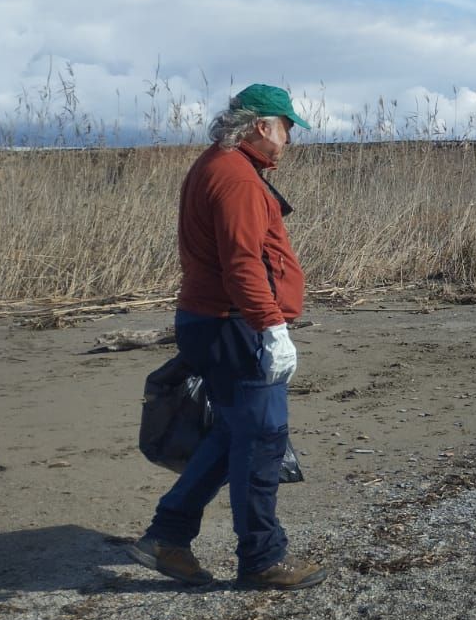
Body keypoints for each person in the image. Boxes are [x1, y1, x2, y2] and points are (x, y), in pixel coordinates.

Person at [128, 84, 328, 590]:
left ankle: (166, 538)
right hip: (232, 324)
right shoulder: (236, 178)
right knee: (262, 438)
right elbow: (242, 262)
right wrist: (272, 325)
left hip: (214, 320)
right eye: (286, 128)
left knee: (234, 434)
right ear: (263, 126)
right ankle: (262, 560)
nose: (288, 140)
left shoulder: (217, 165)